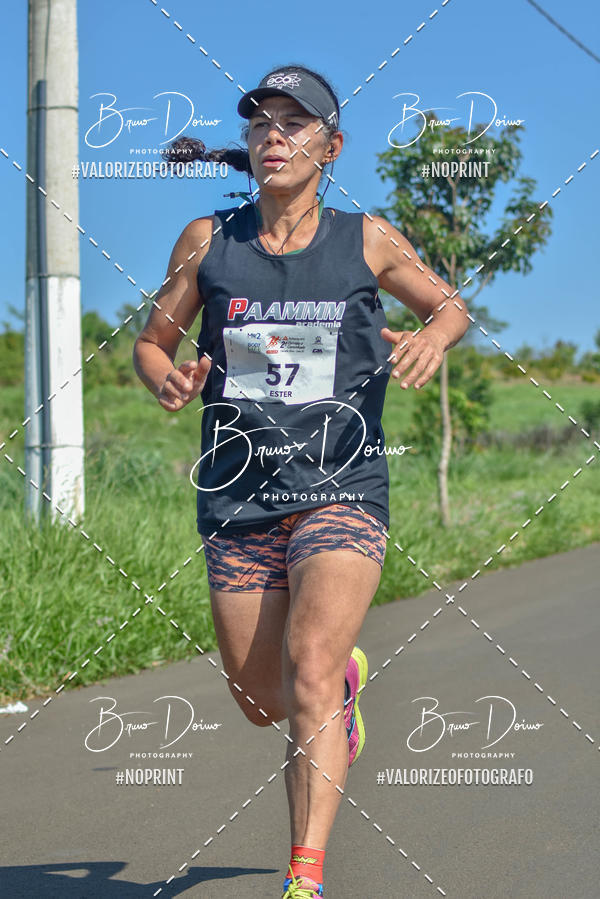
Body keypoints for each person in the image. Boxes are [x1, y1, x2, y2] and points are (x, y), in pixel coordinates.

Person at [133, 63, 468, 898]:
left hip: (342, 486)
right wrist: (167, 380)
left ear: (332, 146)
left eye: (293, 122)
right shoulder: (209, 241)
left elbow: (449, 306)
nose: (273, 136)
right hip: (237, 495)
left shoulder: (367, 239)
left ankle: (304, 877)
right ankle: (341, 691)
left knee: (310, 664)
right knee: (261, 697)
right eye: (260, 123)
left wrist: (433, 337)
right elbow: (152, 342)